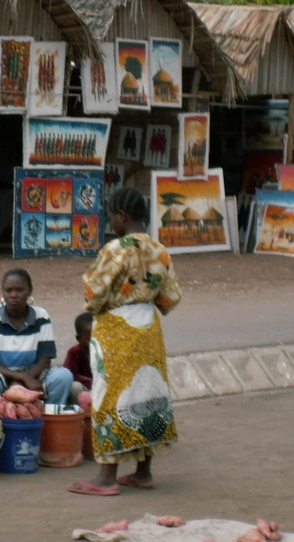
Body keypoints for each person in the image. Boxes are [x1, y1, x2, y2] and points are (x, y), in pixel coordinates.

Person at [68, 187, 182, 496]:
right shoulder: (159, 249)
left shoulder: (116, 249)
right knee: (146, 392)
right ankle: (143, 472)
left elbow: (93, 292)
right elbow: (170, 299)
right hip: (148, 327)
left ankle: (107, 478)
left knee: (111, 395)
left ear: (123, 216)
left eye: (110, 216)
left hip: (117, 329)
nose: (110, 223)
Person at [0, 268, 73, 405]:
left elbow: (45, 361)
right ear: (2, 292)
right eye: (8, 290)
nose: (13, 295)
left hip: (34, 374)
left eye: (19, 290)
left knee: (63, 376)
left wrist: (26, 379)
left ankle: (50, 417)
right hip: (1, 374)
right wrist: (21, 378)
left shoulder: (41, 316)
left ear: (29, 291)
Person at [63, 311, 93, 401]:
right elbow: (69, 375)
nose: (95, 342)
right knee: (75, 387)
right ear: (79, 339)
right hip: (85, 389)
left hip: (103, 390)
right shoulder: (74, 352)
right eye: (89, 339)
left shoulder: (107, 352)